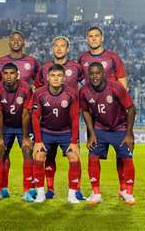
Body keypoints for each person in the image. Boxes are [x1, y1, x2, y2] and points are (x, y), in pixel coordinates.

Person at [79, 26, 129, 194]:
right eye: (90, 36)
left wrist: (120, 103)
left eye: (96, 36)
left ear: (102, 38)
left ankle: (123, 188)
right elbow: (78, 81)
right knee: (94, 151)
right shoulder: (83, 58)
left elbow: (122, 80)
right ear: (87, 39)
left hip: (113, 109)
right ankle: (95, 191)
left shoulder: (112, 57)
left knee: (121, 151)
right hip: (94, 111)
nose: (93, 39)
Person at [35, 36, 84, 200]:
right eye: (56, 45)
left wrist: (74, 139)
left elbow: (85, 84)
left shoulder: (76, 67)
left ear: (67, 49)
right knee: (46, 157)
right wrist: (37, 139)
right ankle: (47, 190)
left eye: (62, 46)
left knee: (75, 155)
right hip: (47, 125)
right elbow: (38, 89)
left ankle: (76, 191)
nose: (59, 48)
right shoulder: (44, 68)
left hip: (68, 125)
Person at [79, 62, 136, 205]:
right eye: (91, 74)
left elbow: (131, 108)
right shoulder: (84, 91)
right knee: (93, 157)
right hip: (100, 129)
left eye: (97, 73)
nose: (94, 76)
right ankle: (96, 192)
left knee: (126, 159)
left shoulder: (116, 87)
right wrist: (91, 133)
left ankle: (127, 191)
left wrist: (129, 134)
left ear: (103, 73)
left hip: (120, 128)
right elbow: (85, 111)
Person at [0, 63, 35, 202]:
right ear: (2, 75)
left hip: (24, 126)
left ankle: (28, 190)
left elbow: (26, 114)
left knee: (27, 150)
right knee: (0, 151)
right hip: (6, 125)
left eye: (12, 73)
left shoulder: (26, 88)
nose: (9, 76)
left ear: (17, 75)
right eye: (6, 73)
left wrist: (26, 137)